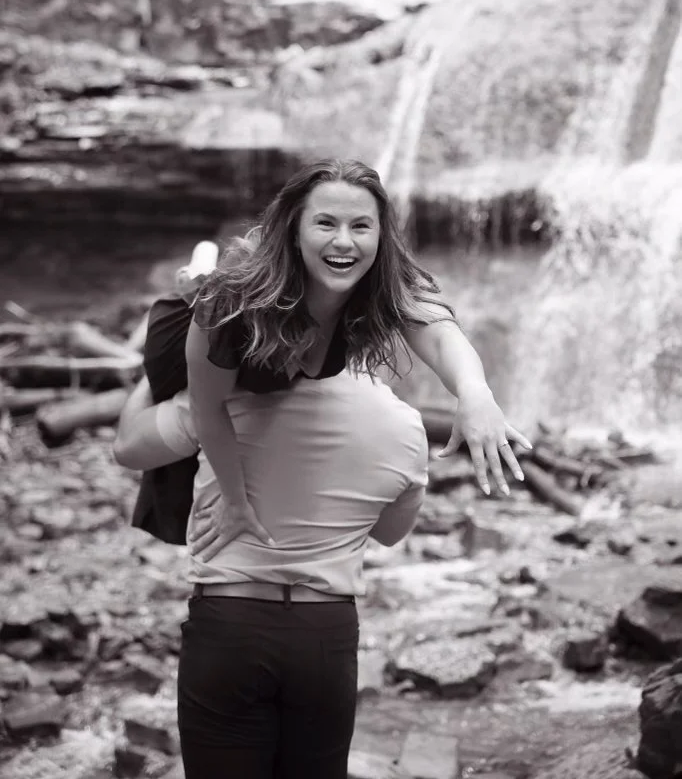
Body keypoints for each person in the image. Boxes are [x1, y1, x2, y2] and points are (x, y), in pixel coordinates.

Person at [115, 157, 530, 778]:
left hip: (271, 372)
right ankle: (196, 268)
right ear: (294, 229)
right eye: (326, 223)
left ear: (381, 234)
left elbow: (440, 332)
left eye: (361, 226)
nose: (344, 240)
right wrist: (234, 499)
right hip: (195, 334)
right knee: (152, 439)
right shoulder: (233, 305)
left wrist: (477, 396)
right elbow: (208, 406)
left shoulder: (380, 281)